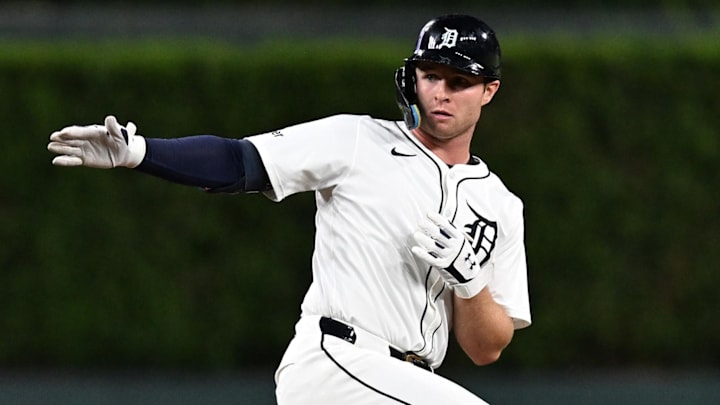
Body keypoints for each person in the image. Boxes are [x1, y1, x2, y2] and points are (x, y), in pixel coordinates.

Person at [47, 14, 531, 405]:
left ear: (489, 90)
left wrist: (470, 282)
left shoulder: (502, 206)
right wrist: (140, 152)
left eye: (459, 80)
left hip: (405, 382)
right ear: (412, 79)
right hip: (337, 364)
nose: (440, 91)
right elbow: (241, 161)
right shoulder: (358, 139)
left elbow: (486, 347)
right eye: (431, 75)